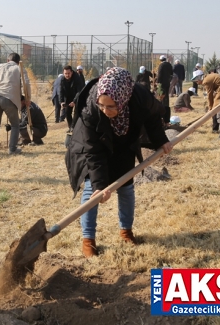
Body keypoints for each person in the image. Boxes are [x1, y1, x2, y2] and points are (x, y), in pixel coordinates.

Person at [65, 67, 173, 258]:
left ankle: (126, 231)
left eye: (111, 106)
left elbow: (153, 117)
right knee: (92, 189)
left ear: (123, 99)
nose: (106, 111)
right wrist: (100, 185)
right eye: (102, 106)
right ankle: (88, 239)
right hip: (94, 145)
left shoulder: (139, 96)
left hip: (124, 142)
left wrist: (161, 141)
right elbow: (93, 150)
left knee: (126, 186)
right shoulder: (91, 108)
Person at [0, 52, 31, 154]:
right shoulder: (20, 68)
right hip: (10, 99)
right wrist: (27, 98)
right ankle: (12, 149)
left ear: (7, 60)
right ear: (18, 62)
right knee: (15, 125)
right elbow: (26, 83)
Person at [59, 65, 84, 131]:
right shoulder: (62, 79)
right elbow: (61, 91)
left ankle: (73, 127)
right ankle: (70, 127)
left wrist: (74, 101)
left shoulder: (77, 78)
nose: (67, 75)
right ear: (63, 73)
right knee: (67, 112)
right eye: (65, 73)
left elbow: (79, 91)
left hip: (78, 96)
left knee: (76, 112)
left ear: (72, 72)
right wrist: (61, 101)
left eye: (68, 73)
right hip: (68, 97)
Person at [156, 55, 173, 124]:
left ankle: (162, 107)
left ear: (160, 60)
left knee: (161, 96)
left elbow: (159, 74)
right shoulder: (169, 65)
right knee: (166, 96)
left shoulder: (161, 65)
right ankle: (166, 104)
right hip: (167, 82)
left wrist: (158, 82)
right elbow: (171, 73)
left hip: (162, 83)